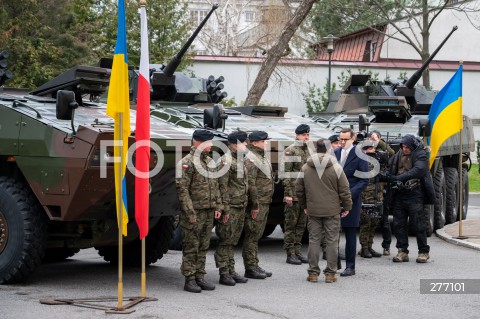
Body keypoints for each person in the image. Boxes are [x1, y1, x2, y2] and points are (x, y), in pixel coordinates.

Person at [296, 138, 352, 283]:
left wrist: (305, 206)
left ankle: (313, 273)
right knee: (332, 241)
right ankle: (330, 274)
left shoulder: (306, 167)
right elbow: (344, 190)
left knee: (314, 240)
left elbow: (299, 189)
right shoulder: (336, 167)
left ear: (316, 149)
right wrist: (347, 206)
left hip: (313, 209)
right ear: (329, 149)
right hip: (332, 210)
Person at [176, 129, 222, 293]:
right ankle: (189, 279)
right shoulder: (186, 162)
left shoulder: (209, 161)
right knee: (191, 246)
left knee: (204, 245)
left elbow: (215, 186)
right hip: (194, 212)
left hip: (209, 211)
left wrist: (218, 206)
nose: (211, 145)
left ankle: (200, 276)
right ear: (199, 142)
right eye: (209, 142)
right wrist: (189, 213)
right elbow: (183, 190)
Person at [383, 134, 435, 263]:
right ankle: (402, 251)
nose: (405, 149)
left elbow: (419, 170)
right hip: (400, 193)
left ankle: (423, 251)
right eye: (403, 146)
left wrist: (398, 178)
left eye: (407, 147)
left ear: (412, 146)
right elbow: (390, 167)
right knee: (398, 224)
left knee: (418, 224)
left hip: (415, 193)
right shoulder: (398, 155)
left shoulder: (420, 154)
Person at [214, 131, 250, 286]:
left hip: (240, 205)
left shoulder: (239, 160)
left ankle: (231, 269)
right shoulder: (226, 161)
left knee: (233, 240)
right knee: (225, 240)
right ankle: (224, 272)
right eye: (244, 142)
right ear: (235, 144)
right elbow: (220, 186)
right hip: (230, 207)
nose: (246, 144)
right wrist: (224, 209)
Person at [334, 128, 369, 276]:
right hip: (334, 199)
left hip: (351, 200)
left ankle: (350, 266)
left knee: (349, 232)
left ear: (353, 139)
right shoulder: (335, 153)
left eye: (345, 139)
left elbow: (364, 180)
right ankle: (334, 262)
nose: (342, 142)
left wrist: (348, 195)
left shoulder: (360, 155)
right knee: (332, 232)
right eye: (340, 139)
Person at [243, 131, 274, 279]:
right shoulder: (251, 159)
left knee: (257, 235)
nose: (266, 143)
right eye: (263, 141)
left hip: (264, 201)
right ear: (255, 143)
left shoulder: (261, 157)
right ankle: (250, 267)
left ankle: (254, 264)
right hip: (258, 203)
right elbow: (250, 183)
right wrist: (254, 205)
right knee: (252, 235)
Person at [282, 124, 311, 265]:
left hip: (304, 194)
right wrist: (288, 193)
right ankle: (290, 253)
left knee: (301, 225)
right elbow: (286, 174)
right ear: (297, 135)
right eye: (304, 135)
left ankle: (297, 251)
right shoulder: (290, 151)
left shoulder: (307, 151)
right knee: (290, 224)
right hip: (293, 194)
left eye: (307, 135)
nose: (306, 137)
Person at [358, 141, 387, 258]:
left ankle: (369, 246)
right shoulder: (360, 162)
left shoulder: (378, 161)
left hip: (377, 196)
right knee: (366, 223)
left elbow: (390, 153)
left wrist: (379, 141)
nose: (372, 150)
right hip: (366, 197)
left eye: (373, 148)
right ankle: (364, 248)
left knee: (374, 223)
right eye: (369, 148)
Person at [369, 130, 394, 256]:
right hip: (368, 191)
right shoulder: (365, 151)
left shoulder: (383, 152)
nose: (372, 140)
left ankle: (386, 246)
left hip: (381, 190)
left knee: (384, 219)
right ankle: (367, 246)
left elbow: (392, 153)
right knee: (368, 220)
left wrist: (378, 142)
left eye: (374, 138)